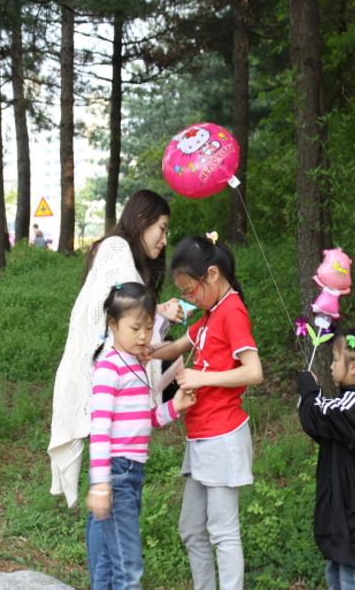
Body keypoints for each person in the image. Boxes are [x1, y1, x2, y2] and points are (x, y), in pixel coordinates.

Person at [48, 189, 184, 507]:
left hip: (123, 412)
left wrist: (158, 314)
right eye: (162, 228)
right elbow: (111, 312)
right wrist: (159, 313)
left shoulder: (122, 256)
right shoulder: (116, 249)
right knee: (112, 494)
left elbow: (123, 315)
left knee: (111, 498)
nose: (164, 240)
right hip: (112, 395)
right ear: (142, 219)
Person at [148, 232, 263, 590]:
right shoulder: (211, 314)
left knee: (223, 532)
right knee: (191, 529)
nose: (189, 299)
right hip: (200, 435)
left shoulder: (232, 311)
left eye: (190, 290)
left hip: (223, 435)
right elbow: (177, 347)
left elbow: (254, 371)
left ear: (212, 275)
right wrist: (142, 348)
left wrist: (203, 377)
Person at [86, 282, 196, 590]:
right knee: (128, 567)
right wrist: (101, 483)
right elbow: (100, 431)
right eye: (135, 328)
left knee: (110, 559)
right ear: (113, 324)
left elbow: (144, 419)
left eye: (149, 328)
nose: (143, 337)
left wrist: (174, 407)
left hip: (132, 473)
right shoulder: (109, 369)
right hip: (116, 473)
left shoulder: (136, 365)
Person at [297, 323, 355, 590]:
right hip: (341, 513)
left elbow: (317, 416)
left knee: (350, 580)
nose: (332, 366)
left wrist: (309, 390)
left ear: (354, 367)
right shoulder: (352, 402)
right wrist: (331, 333)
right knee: (335, 575)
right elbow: (323, 424)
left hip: (353, 516)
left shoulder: (354, 406)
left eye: (336, 359)